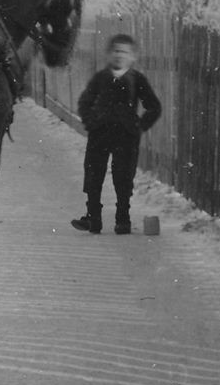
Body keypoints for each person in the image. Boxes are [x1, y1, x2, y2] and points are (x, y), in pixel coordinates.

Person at [69, 33, 163, 236]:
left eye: (125, 52)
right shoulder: (100, 78)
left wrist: (139, 126)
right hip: (100, 133)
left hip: (126, 134)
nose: (120, 55)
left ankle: (123, 219)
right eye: (116, 51)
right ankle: (93, 218)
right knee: (93, 175)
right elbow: (85, 102)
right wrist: (91, 122)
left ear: (133, 57)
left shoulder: (136, 79)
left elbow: (154, 107)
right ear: (109, 55)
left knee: (123, 176)